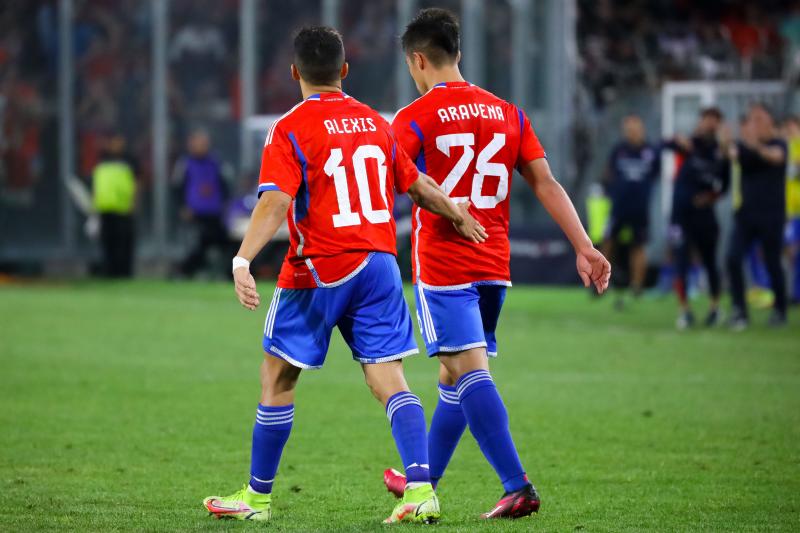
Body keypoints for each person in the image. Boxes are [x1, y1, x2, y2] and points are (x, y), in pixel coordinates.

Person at [202, 26, 487, 524]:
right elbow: (415, 183)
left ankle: (258, 498)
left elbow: (274, 200)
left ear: (294, 73)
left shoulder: (289, 127)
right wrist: (456, 213)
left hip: (320, 266)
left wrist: (242, 259)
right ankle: (420, 490)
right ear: (345, 71)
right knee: (389, 379)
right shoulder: (377, 123)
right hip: (378, 264)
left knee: (278, 374)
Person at [384, 8, 610, 519]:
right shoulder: (507, 112)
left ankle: (516, 484)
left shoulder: (414, 117)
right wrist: (583, 244)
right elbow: (546, 182)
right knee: (452, 374)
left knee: (467, 371)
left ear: (418, 60)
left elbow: (400, 181)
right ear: (457, 54)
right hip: (494, 265)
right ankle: (421, 481)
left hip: (445, 263)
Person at [662, 107, 731, 329]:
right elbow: (664, 144)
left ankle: (714, 307)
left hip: (704, 215)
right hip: (681, 214)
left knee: (710, 261)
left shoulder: (721, 153)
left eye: (714, 121)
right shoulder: (688, 145)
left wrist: (709, 198)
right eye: (706, 120)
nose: (709, 125)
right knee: (680, 260)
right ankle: (684, 311)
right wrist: (677, 139)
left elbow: (725, 187)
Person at [726, 103, 788, 329]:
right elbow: (731, 152)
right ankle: (739, 310)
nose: (755, 124)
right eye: (752, 120)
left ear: (770, 121)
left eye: (759, 119)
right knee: (732, 258)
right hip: (746, 215)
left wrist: (753, 145)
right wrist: (727, 141)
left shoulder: (778, 144)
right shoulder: (745, 148)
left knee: (773, 263)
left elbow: (776, 157)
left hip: (772, 215)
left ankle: (780, 310)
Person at [602, 114, 660, 307]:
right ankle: (601, 281)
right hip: (619, 206)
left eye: (634, 128)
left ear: (641, 129)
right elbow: (609, 172)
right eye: (628, 128)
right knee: (609, 241)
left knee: (639, 245)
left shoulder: (650, 151)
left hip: (639, 208)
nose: (631, 131)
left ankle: (637, 286)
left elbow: (654, 175)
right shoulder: (618, 150)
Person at [172, 130, 229, 277]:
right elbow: (177, 187)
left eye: (204, 143)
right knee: (198, 245)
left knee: (221, 242)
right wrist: (183, 207)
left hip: (214, 212)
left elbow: (225, 185)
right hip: (194, 213)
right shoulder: (185, 164)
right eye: (198, 143)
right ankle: (186, 270)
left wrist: (224, 204)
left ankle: (222, 273)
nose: (202, 146)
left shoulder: (216, 162)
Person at [91, 132, 137, 277]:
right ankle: (109, 272)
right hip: (105, 207)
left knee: (123, 242)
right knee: (107, 242)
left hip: (123, 208)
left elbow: (137, 182)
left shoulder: (129, 160)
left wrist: (133, 202)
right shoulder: (102, 160)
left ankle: (124, 272)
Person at [783, 115, 800, 304]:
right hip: (788, 209)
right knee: (790, 251)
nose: (790, 131)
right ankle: (792, 292)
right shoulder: (784, 146)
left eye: (793, 127)